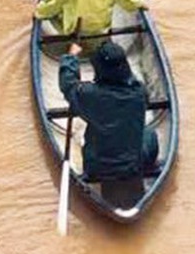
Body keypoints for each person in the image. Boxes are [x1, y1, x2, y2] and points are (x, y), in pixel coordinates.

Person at [60, 41, 159, 183]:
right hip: (134, 166)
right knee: (148, 133)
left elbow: (68, 85)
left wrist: (71, 57)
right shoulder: (139, 92)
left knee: (146, 133)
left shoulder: (90, 95)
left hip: (96, 167)